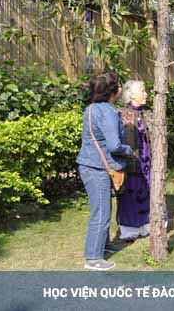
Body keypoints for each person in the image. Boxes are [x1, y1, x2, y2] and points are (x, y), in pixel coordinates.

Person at [76, 72, 133, 270]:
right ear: (113, 90)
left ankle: (103, 245)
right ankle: (93, 258)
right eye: (120, 85)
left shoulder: (91, 108)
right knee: (101, 212)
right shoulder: (108, 112)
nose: (121, 89)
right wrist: (129, 150)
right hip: (97, 168)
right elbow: (114, 145)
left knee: (102, 209)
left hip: (90, 165)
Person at [116, 80, 168, 241]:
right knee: (129, 193)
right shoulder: (121, 114)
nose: (146, 94)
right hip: (131, 163)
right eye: (142, 91)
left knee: (150, 191)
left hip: (148, 162)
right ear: (131, 94)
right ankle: (130, 228)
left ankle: (148, 224)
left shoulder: (149, 113)